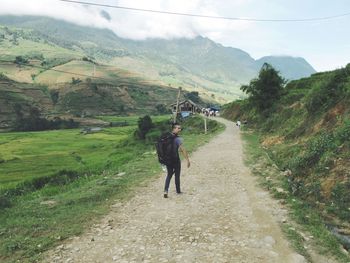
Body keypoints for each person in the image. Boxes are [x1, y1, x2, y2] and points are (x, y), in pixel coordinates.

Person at [163, 123, 190, 198]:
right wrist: (187, 160)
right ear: (173, 129)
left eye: (180, 128)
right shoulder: (178, 139)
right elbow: (183, 150)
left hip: (168, 160)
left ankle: (165, 190)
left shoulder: (166, 137)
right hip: (175, 159)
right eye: (178, 128)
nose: (179, 129)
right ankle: (178, 191)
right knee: (177, 175)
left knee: (169, 175)